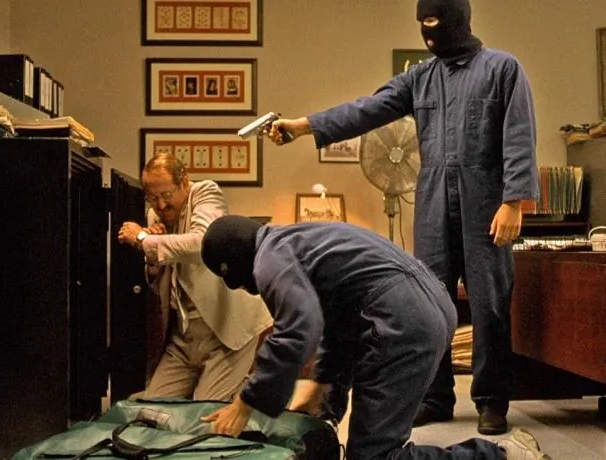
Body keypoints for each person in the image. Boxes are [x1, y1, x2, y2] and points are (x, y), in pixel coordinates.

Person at [266, 0, 539, 435]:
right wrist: (304, 126)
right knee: (429, 302)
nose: (427, 32)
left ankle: (491, 401)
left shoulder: (502, 69)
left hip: (485, 202)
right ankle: (435, 397)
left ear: (457, 19)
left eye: (433, 22)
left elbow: (519, 134)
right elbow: (366, 109)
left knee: (490, 303)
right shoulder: (420, 78)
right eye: (421, 24)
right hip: (432, 201)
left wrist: (514, 201)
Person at [199, 215, 551, 460]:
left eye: (241, 284)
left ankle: (501, 455)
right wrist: (323, 389)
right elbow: (337, 326)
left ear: (235, 265)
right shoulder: (295, 240)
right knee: (370, 444)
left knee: (373, 456)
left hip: (402, 322)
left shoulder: (268, 260)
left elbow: (297, 329)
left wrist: (247, 402)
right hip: (431, 308)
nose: (248, 289)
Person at [117, 153, 272, 401]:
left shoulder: (205, 193)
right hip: (183, 337)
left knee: (204, 411)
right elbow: (160, 278)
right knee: (151, 408)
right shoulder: (154, 216)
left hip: (228, 332)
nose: (161, 205)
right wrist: (153, 261)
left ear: (184, 183)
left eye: (166, 195)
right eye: (152, 198)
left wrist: (143, 239)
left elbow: (201, 244)